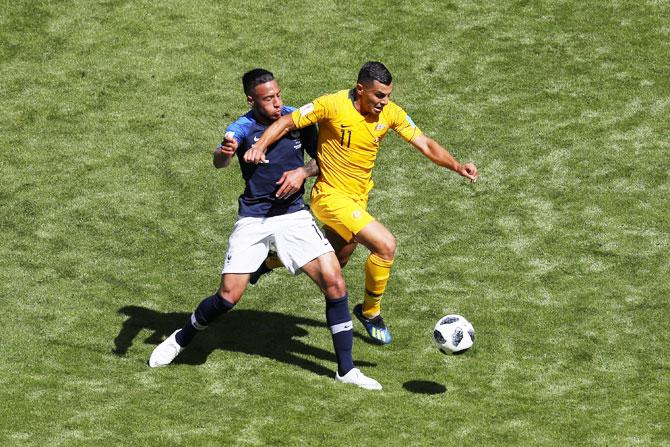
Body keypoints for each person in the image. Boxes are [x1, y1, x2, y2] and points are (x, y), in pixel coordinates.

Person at [149, 68, 381, 390]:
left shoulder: (296, 120)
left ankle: (346, 369)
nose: (277, 103)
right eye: (268, 98)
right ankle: (181, 338)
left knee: (335, 283)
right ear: (251, 100)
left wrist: (302, 171)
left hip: (293, 215)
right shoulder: (242, 127)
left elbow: (324, 161)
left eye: (278, 94)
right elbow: (220, 161)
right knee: (228, 297)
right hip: (254, 219)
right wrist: (223, 154)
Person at [244, 61, 478, 345]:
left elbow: (425, 144)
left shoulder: (389, 113)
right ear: (360, 89)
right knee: (385, 245)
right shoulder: (331, 105)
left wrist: (456, 166)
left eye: (388, 95)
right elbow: (286, 122)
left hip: (358, 199)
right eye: (379, 95)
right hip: (329, 197)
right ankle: (370, 312)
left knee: (333, 257)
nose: (385, 102)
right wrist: (259, 146)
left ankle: (267, 262)